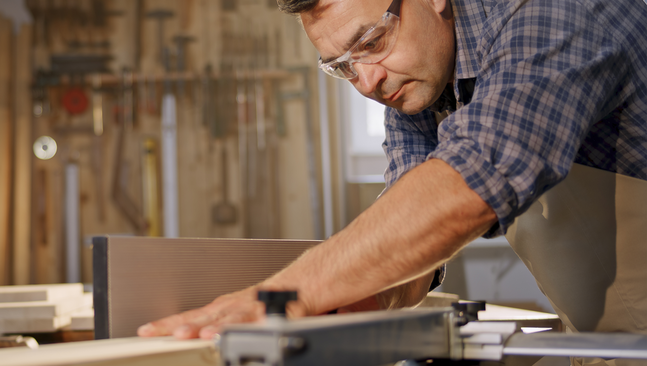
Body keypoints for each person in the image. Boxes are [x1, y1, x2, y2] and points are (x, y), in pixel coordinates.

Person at [138, 0, 647, 363]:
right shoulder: (414, 80)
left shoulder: (555, 13)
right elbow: (411, 242)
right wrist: (348, 310)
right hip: (606, 346)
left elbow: (470, 185)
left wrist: (287, 292)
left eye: (371, 42)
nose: (366, 82)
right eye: (341, 66)